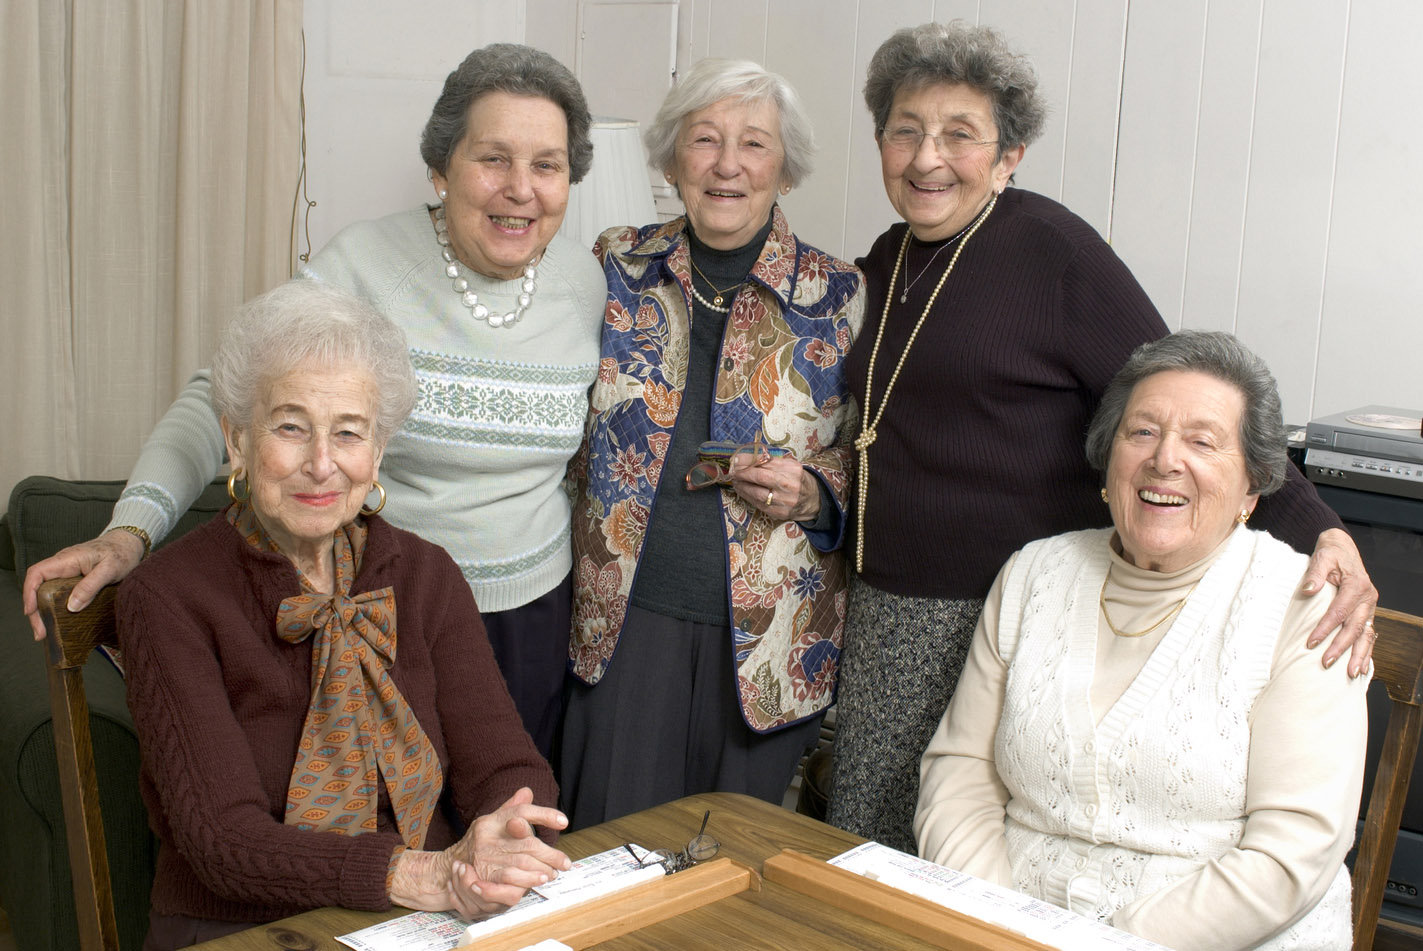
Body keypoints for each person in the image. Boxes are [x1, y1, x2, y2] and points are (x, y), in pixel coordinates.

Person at [830, 20, 1378, 852]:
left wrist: (1321, 526)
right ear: (879, 140)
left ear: (1009, 155)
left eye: (959, 135)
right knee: (874, 851)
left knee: (968, 857)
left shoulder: (1056, 254)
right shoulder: (886, 255)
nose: (925, 157)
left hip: (1004, 618)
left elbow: (1184, 405)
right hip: (884, 612)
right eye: (905, 131)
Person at [22, 43, 607, 759]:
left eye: (546, 165)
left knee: (508, 820)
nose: (520, 188)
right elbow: (222, 394)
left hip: (537, 620)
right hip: (385, 607)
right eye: (493, 158)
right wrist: (129, 531)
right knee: (389, 843)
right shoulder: (362, 265)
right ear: (439, 165)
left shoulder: (591, 284)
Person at [117, 281, 570, 948]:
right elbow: (221, 840)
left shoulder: (425, 574)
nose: (321, 463)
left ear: (377, 451)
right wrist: (421, 874)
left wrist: (501, 838)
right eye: (291, 426)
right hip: (240, 927)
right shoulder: (167, 595)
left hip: (426, 920)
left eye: (348, 432)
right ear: (237, 441)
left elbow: (506, 765)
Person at [915, 331, 1368, 950]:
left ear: (1252, 488)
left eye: (1203, 442)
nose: (1164, 461)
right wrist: (998, 922)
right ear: (1108, 460)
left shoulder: (1305, 605)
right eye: (1143, 432)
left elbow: (1295, 851)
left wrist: (1109, 943)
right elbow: (960, 770)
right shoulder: (1033, 573)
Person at [559, 58, 866, 828]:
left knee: (731, 872)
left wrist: (817, 487)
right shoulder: (614, 267)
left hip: (770, 641)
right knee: (605, 857)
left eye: (754, 144)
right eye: (703, 140)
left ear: (783, 170)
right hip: (622, 623)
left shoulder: (840, 296)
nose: (727, 164)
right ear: (671, 162)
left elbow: (878, 450)